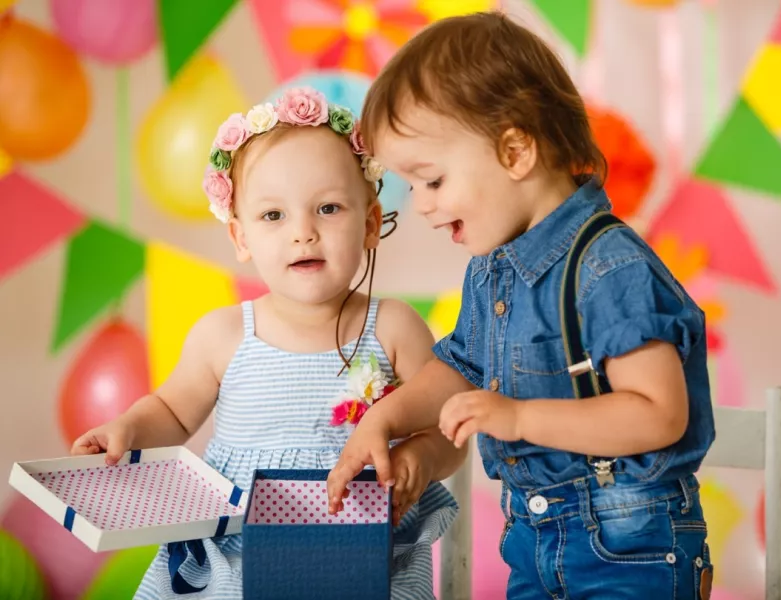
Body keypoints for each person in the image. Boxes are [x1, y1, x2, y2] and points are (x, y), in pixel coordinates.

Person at [327, 12, 716, 599]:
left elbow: (660, 414)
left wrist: (517, 418)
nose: (423, 205)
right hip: (534, 542)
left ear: (514, 151)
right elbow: (458, 369)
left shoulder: (607, 266)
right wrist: (385, 419)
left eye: (431, 181)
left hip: (631, 553)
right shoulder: (492, 270)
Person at [71, 87, 462, 600]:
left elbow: (448, 426)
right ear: (240, 237)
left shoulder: (391, 327)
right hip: (240, 551)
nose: (303, 232)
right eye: (273, 216)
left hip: (364, 549)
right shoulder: (224, 335)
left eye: (327, 208)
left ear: (370, 224)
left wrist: (423, 459)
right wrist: (128, 428)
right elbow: (171, 410)